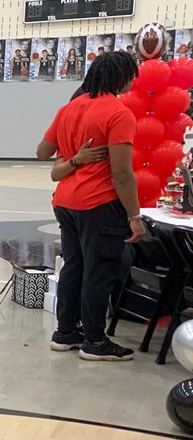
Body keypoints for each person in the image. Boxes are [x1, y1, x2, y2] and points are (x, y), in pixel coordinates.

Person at [35, 51, 144, 360]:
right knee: (99, 273)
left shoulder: (68, 109)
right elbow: (122, 174)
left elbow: (43, 152)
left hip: (66, 202)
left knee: (74, 266)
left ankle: (65, 331)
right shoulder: (118, 113)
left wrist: (73, 160)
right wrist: (135, 216)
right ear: (122, 78)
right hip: (99, 204)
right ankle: (95, 341)